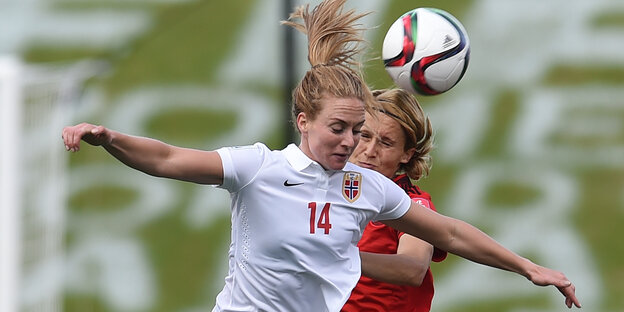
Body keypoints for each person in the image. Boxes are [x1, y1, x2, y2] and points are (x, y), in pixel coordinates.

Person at [61, 0, 580, 311]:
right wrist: (111, 138)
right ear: (303, 120)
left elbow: (446, 233)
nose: (351, 142)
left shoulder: (368, 189)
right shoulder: (258, 168)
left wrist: (527, 267)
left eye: (358, 130)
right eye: (340, 128)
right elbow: (170, 158)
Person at [342, 89, 445, 312]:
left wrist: (339, 256)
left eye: (386, 143)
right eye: (365, 136)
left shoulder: (413, 203)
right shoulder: (333, 192)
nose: (370, 151)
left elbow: (413, 269)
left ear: (407, 154)